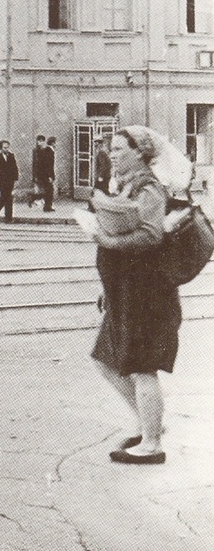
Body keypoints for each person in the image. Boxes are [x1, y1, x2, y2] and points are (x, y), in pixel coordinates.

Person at [90, 126, 187, 465]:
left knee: (143, 366)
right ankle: (149, 423)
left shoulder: (149, 189)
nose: (111, 155)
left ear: (139, 154)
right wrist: (108, 286)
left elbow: (149, 236)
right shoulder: (127, 186)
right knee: (106, 359)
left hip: (148, 293)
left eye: (118, 149)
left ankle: (152, 444)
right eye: (111, 149)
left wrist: (107, 240)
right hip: (126, 291)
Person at [28, 135, 47, 208]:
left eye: (42, 141)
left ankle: (38, 201)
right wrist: (34, 175)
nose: (40, 143)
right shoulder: (35, 150)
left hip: (43, 171)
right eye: (39, 141)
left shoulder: (44, 150)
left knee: (43, 188)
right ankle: (32, 200)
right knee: (37, 188)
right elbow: (35, 163)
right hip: (37, 171)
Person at [41, 136, 57, 211]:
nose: (56, 144)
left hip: (46, 175)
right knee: (49, 191)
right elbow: (48, 165)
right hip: (47, 175)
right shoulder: (49, 151)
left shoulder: (48, 150)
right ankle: (47, 207)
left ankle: (48, 206)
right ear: (53, 143)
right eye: (55, 142)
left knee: (49, 191)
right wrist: (50, 176)